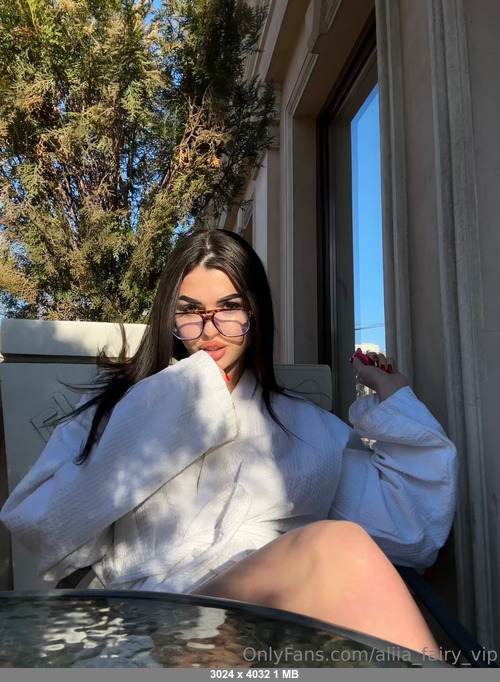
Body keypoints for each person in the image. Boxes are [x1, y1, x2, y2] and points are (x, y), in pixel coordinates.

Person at [0, 228, 457, 656]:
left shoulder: (308, 426)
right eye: (190, 311)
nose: (210, 329)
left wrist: (393, 394)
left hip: (278, 622)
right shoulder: (129, 408)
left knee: (341, 551)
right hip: (166, 625)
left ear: (255, 314)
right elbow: (44, 525)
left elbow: (410, 530)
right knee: (337, 547)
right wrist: (165, 408)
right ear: (169, 317)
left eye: (229, 308)